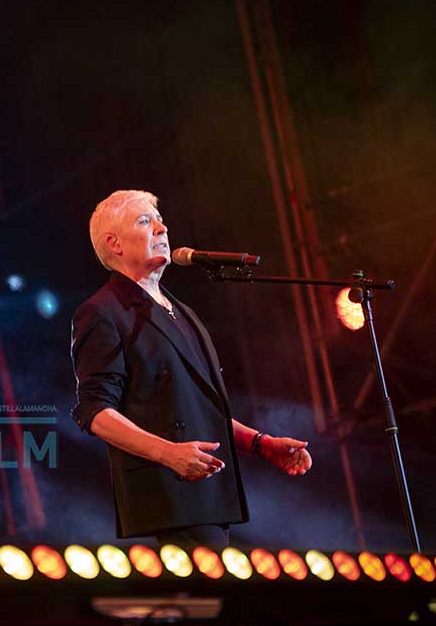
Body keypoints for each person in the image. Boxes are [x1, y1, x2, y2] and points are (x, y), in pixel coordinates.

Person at [70, 190, 311, 549]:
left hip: (210, 493)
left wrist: (261, 444)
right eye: (145, 221)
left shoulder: (182, 312)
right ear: (114, 243)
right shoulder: (102, 312)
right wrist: (169, 453)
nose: (162, 228)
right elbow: (95, 412)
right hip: (170, 496)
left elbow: (198, 409)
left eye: (159, 220)